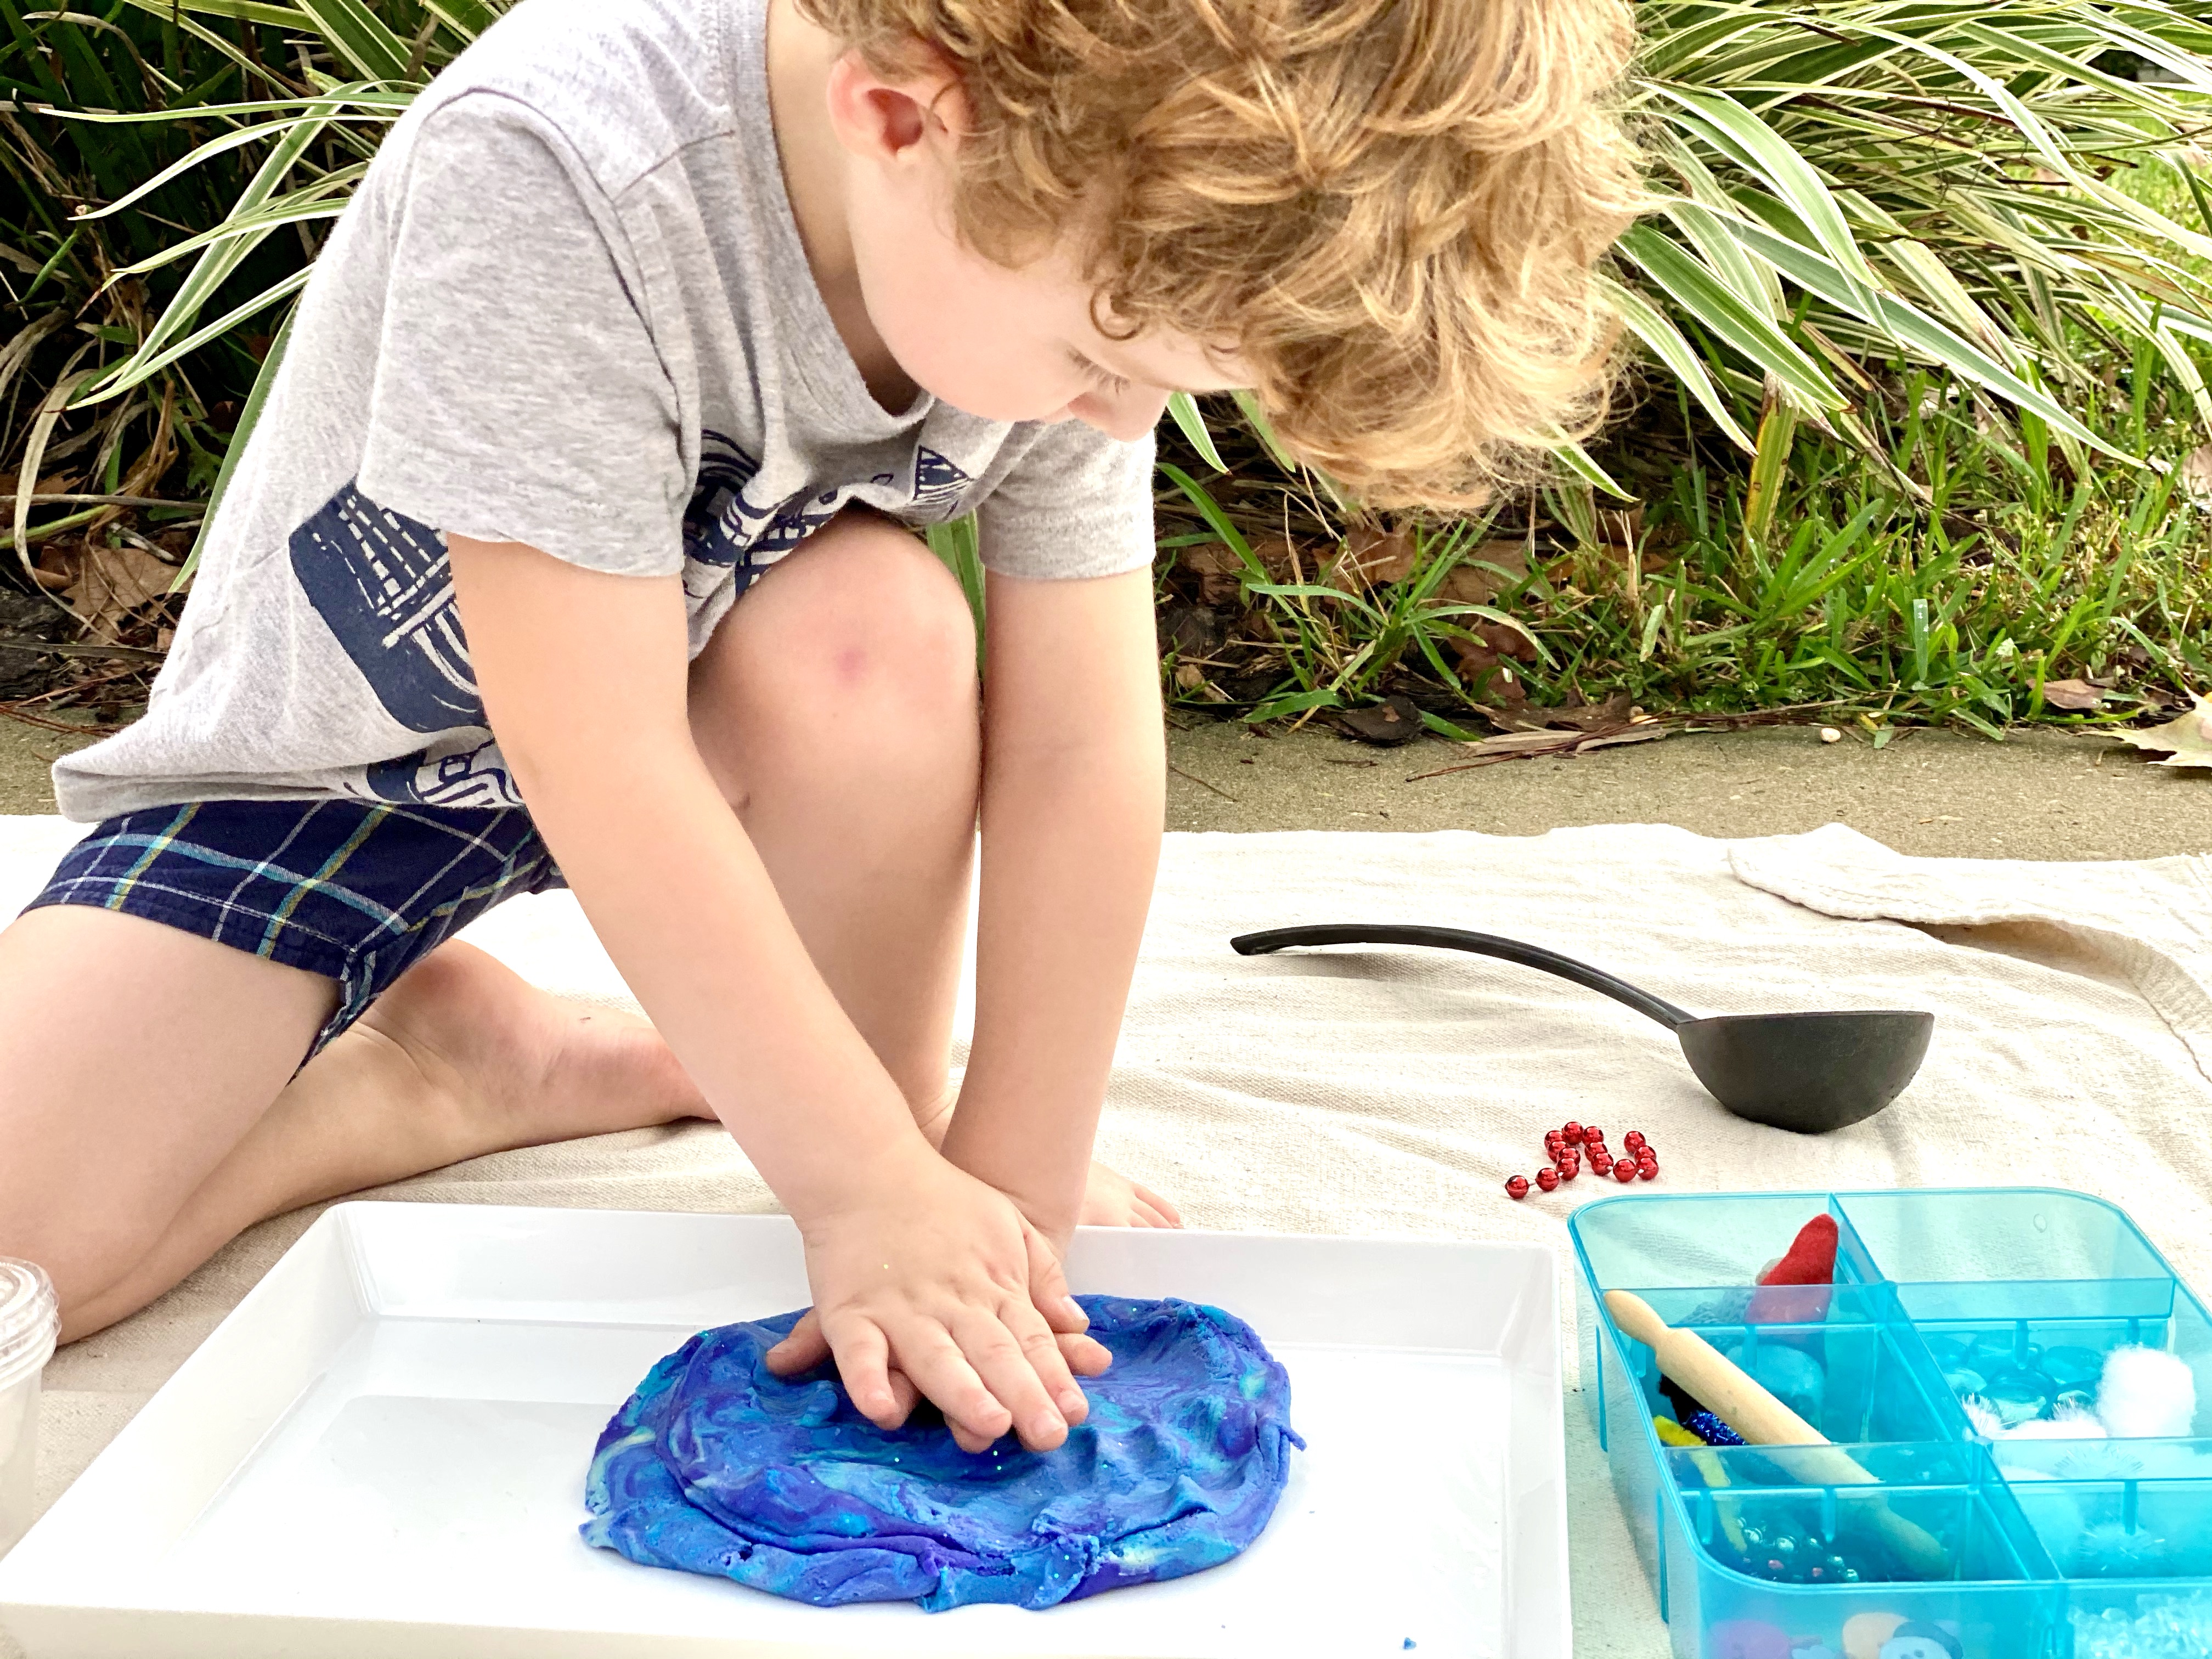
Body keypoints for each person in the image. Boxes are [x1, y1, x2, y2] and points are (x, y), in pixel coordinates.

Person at [0, 0, 1640, 1453]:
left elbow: (1081, 745)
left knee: (879, 633)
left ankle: (638, 1077)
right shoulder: (568, 158)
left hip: (736, 706)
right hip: (348, 779)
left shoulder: (1078, 217)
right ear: (904, 113)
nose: (1119, 415)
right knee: (31, 1252)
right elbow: (600, 759)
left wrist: (999, 1168)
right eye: (1097, 365)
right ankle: (453, 1078)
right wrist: (857, 1193)